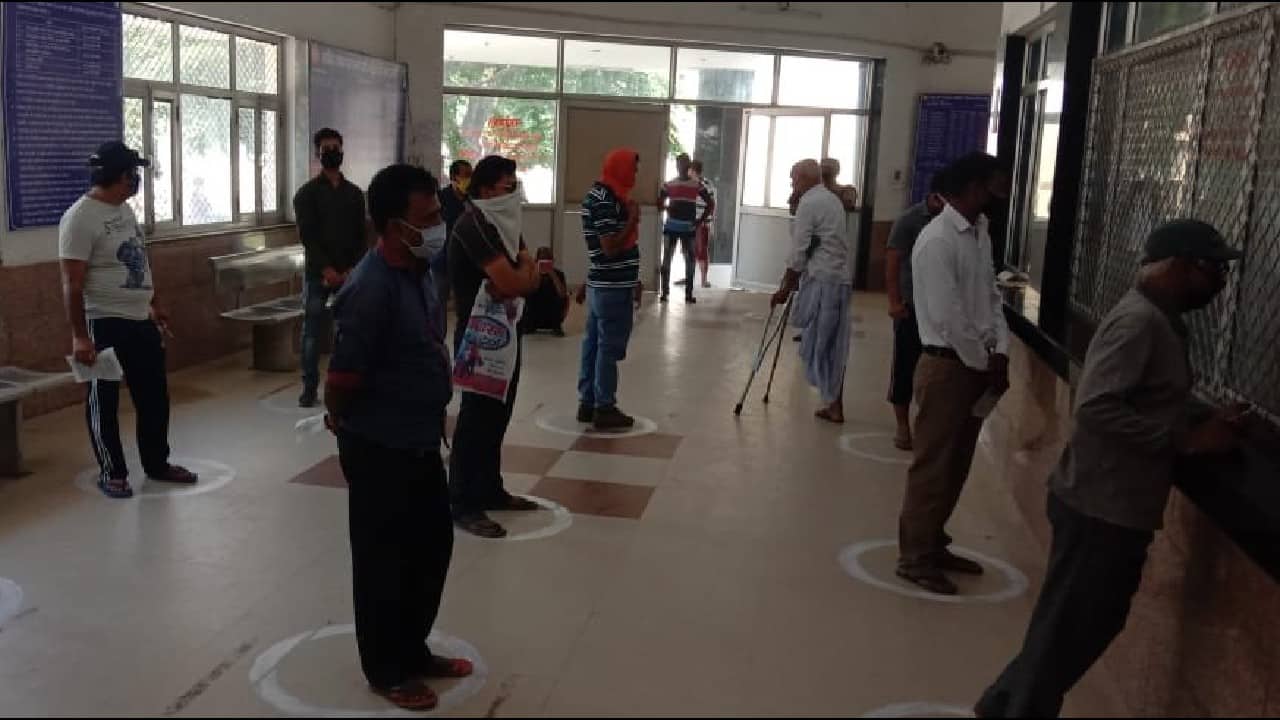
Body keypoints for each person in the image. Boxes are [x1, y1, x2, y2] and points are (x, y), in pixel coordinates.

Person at [976, 220, 1246, 718]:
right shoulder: (1140, 322)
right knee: (1068, 635)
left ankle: (1001, 706)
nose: (1220, 285)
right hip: (1101, 508)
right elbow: (1096, 407)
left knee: (1069, 631)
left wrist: (1199, 418)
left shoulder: (1157, 321)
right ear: (1180, 266)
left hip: (1109, 505)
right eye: (1213, 271)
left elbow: (1146, 397)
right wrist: (1185, 441)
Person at [325, 164, 470, 711]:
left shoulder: (421, 272)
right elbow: (342, 378)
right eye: (428, 218)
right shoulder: (370, 288)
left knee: (430, 548)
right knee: (383, 561)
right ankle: (386, 668)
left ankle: (411, 647)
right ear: (392, 226)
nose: (438, 225)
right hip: (379, 446)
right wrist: (341, 420)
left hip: (417, 440)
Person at [896, 151, 1010, 595]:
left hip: (978, 366)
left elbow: (991, 298)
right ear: (971, 186)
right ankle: (914, 557)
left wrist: (999, 350)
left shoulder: (979, 233)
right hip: (948, 367)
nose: (1000, 193)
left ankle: (933, 541)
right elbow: (947, 317)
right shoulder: (937, 240)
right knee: (933, 466)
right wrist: (984, 362)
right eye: (993, 184)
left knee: (958, 465)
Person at [58, 141, 198, 499]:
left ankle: (157, 463)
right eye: (133, 173)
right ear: (121, 175)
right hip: (102, 323)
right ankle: (113, 471)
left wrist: (155, 302)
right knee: (103, 402)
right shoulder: (79, 218)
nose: (136, 180)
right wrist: (80, 337)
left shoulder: (125, 211)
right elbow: (72, 284)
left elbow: (140, 260)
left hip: (139, 321)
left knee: (154, 397)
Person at [448, 155, 542, 539]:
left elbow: (529, 274)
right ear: (486, 190)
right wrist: (522, 273)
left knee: (499, 415)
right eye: (508, 185)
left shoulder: (504, 225)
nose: (514, 191)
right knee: (475, 420)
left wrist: (522, 274)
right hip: (478, 341)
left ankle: (489, 488)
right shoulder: (473, 225)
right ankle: (463, 502)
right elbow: (515, 279)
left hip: (505, 332)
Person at [770, 159, 853, 424]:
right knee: (829, 344)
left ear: (806, 178)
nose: (792, 184)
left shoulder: (810, 203)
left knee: (822, 345)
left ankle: (834, 404)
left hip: (823, 281)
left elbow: (799, 250)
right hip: (836, 279)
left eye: (794, 179)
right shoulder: (831, 200)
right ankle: (832, 401)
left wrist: (784, 287)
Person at [293, 127, 368, 408]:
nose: (332, 153)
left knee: (349, 330)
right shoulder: (306, 194)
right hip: (318, 275)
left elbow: (362, 235)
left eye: (336, 148)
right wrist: (327, 270)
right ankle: (309, 388)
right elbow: (308, 237)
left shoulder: (354, 194)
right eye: (326, 149)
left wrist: (350, 270)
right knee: (312, 332)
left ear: (343, 151)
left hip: (350, 274)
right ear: (317, 154)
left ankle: (346, 383)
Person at [579, 148, 643, 431]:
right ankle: (604, 406)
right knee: (608, 347)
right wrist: (632, 219)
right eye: (633, 168)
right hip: (611, 287)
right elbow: (609, 248)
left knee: (593, 344)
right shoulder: (607, 201)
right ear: (620, 168)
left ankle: (588, 401)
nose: (636, 174)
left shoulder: (604, 195)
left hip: (603, 283)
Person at [885, 170, 949, 451]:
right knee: (904, 367)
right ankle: (902, 425)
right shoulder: (910, 220)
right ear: (936, 196)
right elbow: (892, 262)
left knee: (936, 371)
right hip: (912, 308)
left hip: (942, 312)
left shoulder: (957, 223)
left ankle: (929, 426)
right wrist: (894, 302)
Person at [659, 153, 713, 303]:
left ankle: (688, 294)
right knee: (667, 261)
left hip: (688, 229)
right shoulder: (668, 184)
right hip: (672, 227)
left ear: (688, 166)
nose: (682, 167)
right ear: (677, 166)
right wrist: (666, 208)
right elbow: (659, 202)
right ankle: (665, 292)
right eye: (679, 164)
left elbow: (710, 204)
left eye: (684, 164)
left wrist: (699, 221)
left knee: (690, 261)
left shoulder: (697, 185)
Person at [432, 159, 472, 316]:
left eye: (471, 175)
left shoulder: (473, 200)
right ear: (454, 177)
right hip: (442, 258)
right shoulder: (441, 198)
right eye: (466, 175)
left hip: (466, 260)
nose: (470, 179)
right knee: (438, 304)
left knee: (466, 305)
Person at [520, 246, 570, 336]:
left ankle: (556, 326)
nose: (545, 262)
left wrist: (553, 275)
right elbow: (526, 292)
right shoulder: (531, 273)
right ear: (536, 260)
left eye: (548, 259)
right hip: (533, 313)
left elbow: (562, 294)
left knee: (561, 298)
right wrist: (536, 274)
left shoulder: (559, 274)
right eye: (542, 259)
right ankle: (529, 325)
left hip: (552, 312)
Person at [689, 159, 716, 289]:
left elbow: (711, 205)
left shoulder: (704, 185)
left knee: (701, 251)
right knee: (691, 251)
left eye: (689, 170)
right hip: (693, 222)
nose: (687, 172)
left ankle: (704, 280)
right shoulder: (692, 184)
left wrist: (708, 223)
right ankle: (691, 276)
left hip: (701, 223)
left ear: (693, 171)